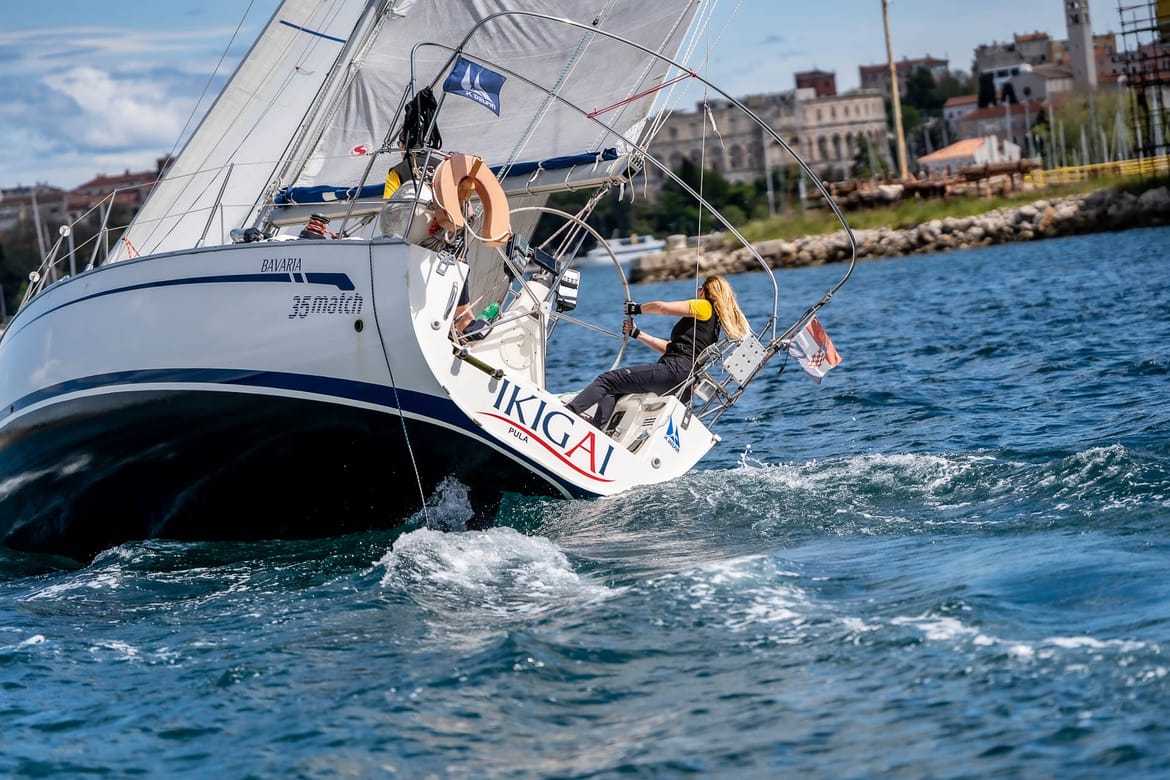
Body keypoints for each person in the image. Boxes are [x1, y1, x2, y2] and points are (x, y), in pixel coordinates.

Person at [567, 275, 749, 429]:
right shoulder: (713, 326)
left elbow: (663, 307)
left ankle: (568, 414)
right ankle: (596, 430)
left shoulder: (704, 306)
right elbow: (671, 348)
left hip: (674, 371)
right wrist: (637, 333)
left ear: (707, 292)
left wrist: (637, 308)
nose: (697, 291)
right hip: (685, 384)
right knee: (614, 390)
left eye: (700, 288)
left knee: (606, 380)